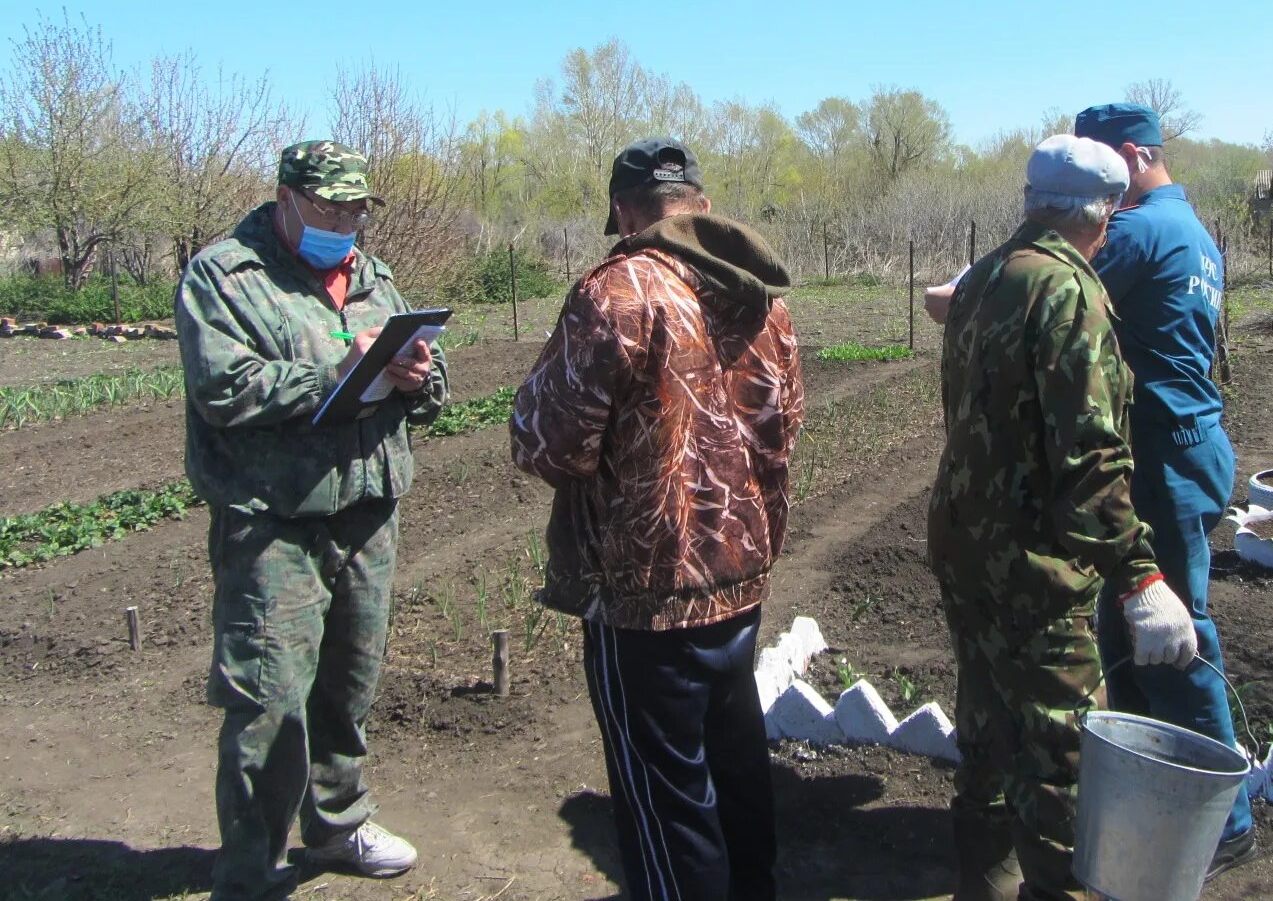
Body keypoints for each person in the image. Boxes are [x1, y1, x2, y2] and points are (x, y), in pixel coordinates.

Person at [510, 137, 803, 901]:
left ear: (622, 211)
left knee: (664, 796)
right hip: (741, 571)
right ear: (699, 204)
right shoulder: (763, 295)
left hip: (646, 590)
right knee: (736, 764)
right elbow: (787, 423)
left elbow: (551, 443)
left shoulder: (618, 292)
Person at [176, 140, 448, 901]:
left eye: (357, 209)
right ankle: (252, 866)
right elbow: (224, 388)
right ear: (287, 199)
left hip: (365, 512)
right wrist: (338, 371)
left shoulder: (373, 276)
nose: (346, 222)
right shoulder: (226, 276)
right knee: (266, 697)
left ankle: (337, 826)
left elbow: (424, 380)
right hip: (274, 520)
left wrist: (418, 374)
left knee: (347, 684)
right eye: (331, 208)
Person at [929, 134, 1198, 901]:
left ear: (1032, 203)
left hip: (965, 543)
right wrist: (1140, 574)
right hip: (1033, 563)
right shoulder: (1067, 291)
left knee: (984, 732)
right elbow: (1087, 454)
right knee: (1062, 752)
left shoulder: (984, 277)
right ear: (1105, 216)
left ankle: (980, 886)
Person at [1073, 101, 1257, 877]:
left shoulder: (1142, 229)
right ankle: (1151, 786)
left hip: (1165, 454)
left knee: (1176, 633)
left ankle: (1224, 823)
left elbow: (1057, 289)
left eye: (1100, 171)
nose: (1097, 195)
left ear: (1127, 158)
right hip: (1190, 443)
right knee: (1132, 629)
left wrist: (969, 295)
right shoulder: (1191, 227)